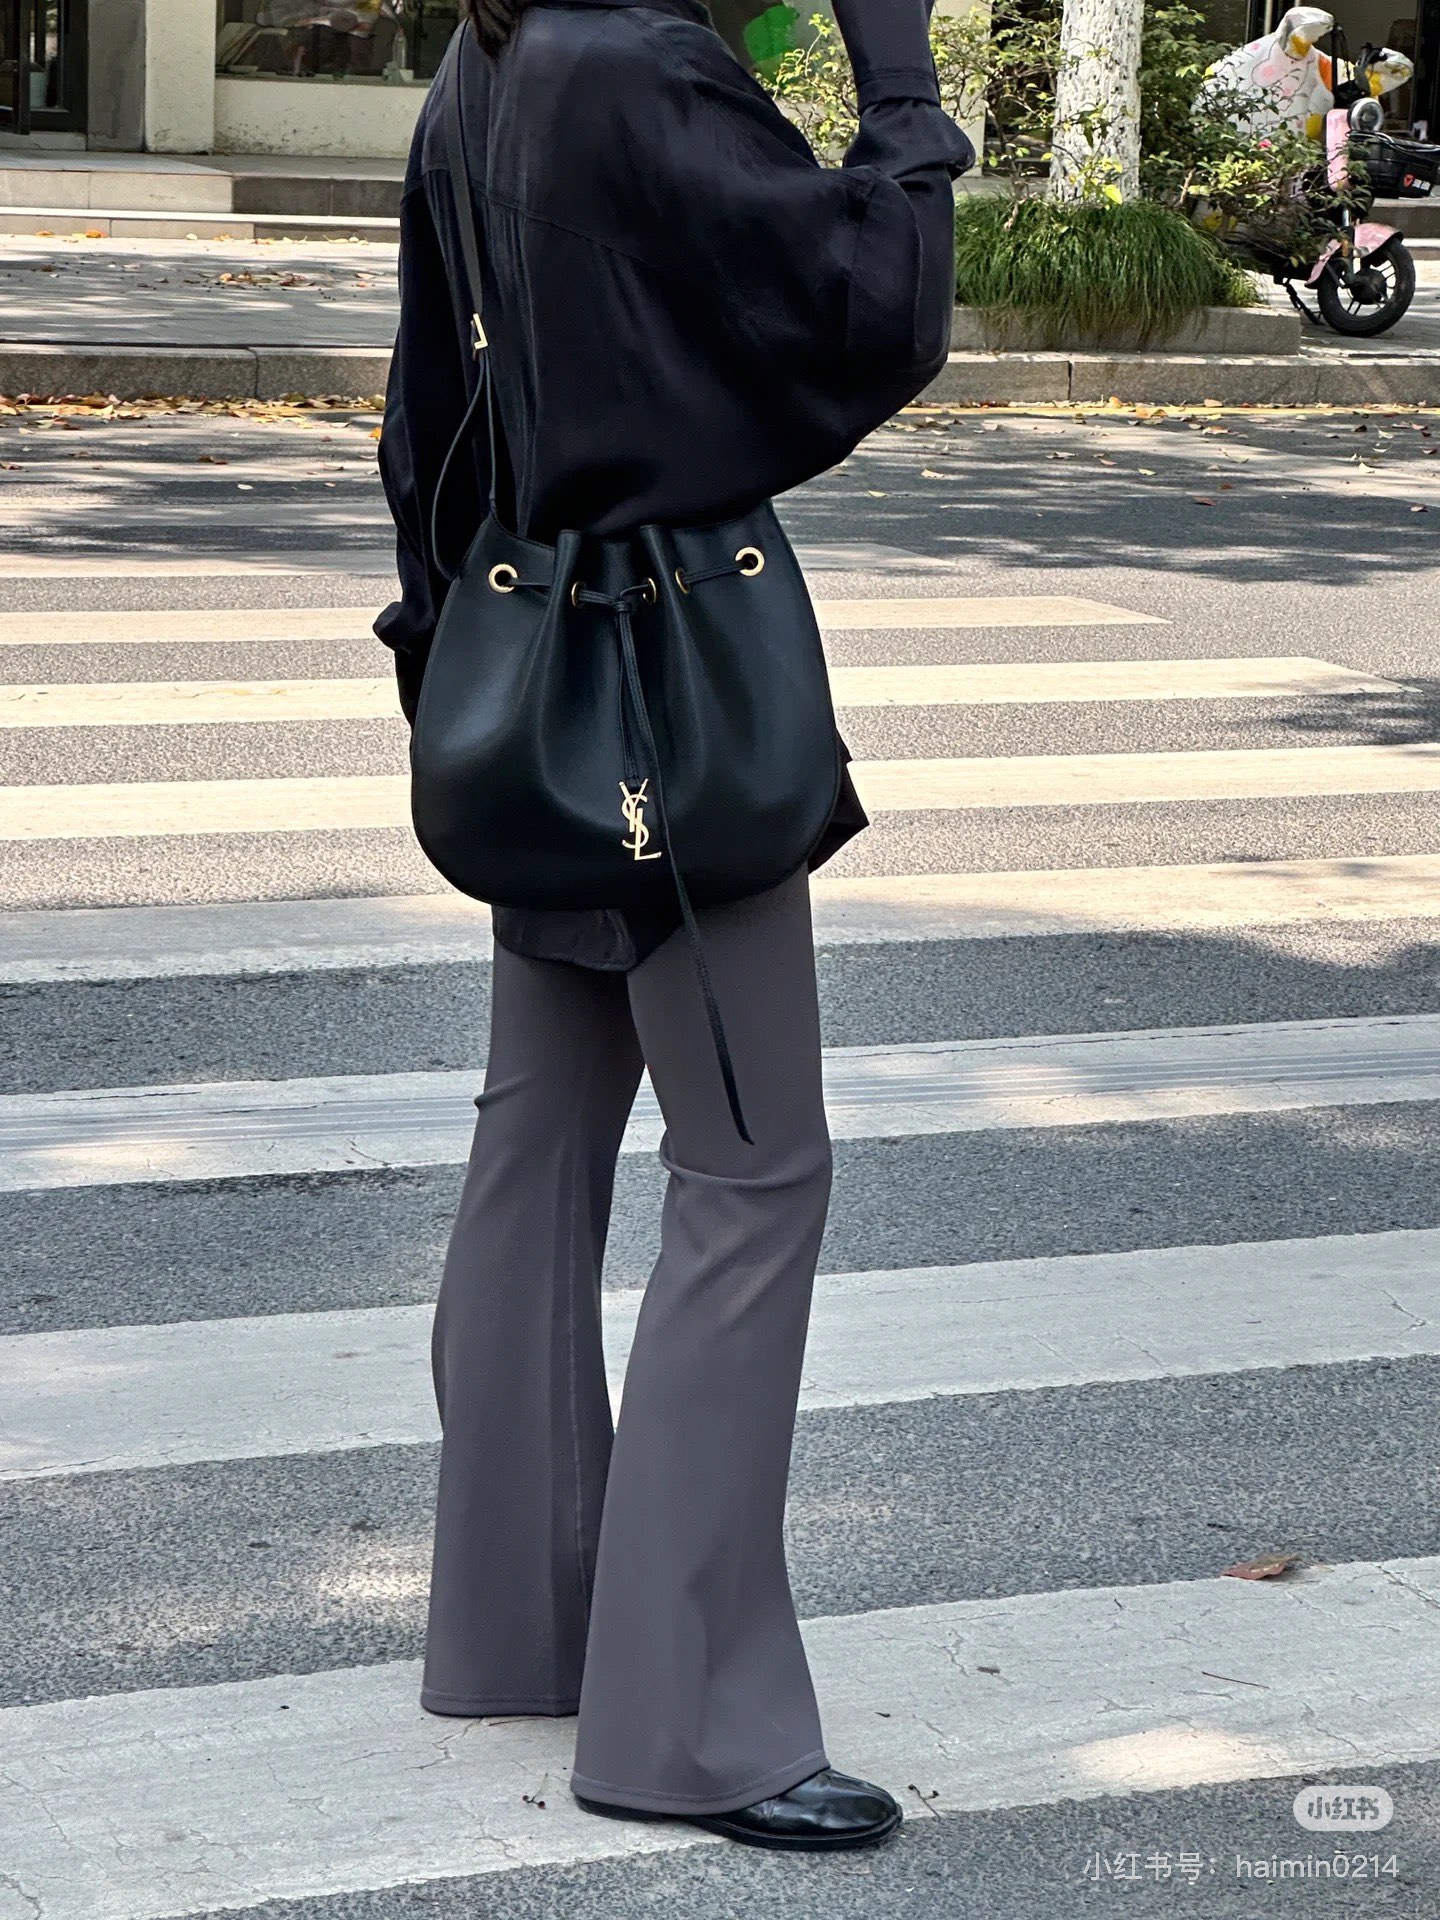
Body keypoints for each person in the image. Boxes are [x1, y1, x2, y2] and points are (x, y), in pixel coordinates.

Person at [375, 0, 971, 1853]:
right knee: (756, 1172)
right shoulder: (643, 65)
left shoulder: (487, 55)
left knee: (536, 1147)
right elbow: (872, 308)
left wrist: (449, 668)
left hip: (527, 673)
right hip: (674, 698)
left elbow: (424, 417)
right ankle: (688, 1726)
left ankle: (517, 1626)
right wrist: (902, 82)